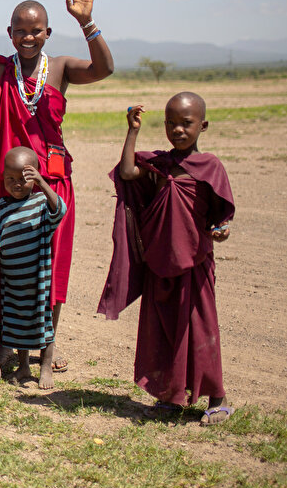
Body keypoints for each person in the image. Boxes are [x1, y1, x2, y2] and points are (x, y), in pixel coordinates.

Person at [0, 0, 114, 374]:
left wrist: (88, 23)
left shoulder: (63, 68)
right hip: (3, 185)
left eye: (36, 30)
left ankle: (44, 347)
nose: (28, 37)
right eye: (20, 30)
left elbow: (105, 68)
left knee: (49, 268)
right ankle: (1, 346)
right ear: (10, 33)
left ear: (48, 33)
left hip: (51, 186)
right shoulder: (1, 70)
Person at [99, 94, 234, 424]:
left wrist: (221, 230)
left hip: (195, 261)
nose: (178, 130)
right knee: (163, 328)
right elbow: (128, 171)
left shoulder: (210, 166)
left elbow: (222, 216)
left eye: (186, 124)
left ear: (202, 126)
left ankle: (217, 397)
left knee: (199, 329)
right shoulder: (159, 164)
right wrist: (132, 130)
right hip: (159, 260)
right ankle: (171, 397)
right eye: (171, 123)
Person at [0, 147, 66, 388]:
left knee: (42, 324)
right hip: (11, 281)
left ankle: (45, 366)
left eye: (23, 179)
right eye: (10, 179)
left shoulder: (40, 203)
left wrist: (42, 183)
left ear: (34, 177)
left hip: (38, 281)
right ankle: (23, 366)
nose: (17, 184)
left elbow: (61, 210)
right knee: (16, 323)